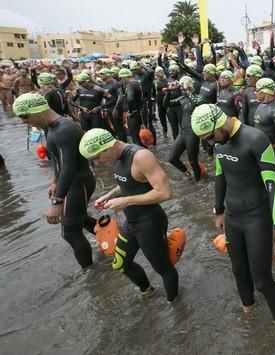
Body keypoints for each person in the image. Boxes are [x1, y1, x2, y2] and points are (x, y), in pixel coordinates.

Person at [190, 104, 275, 324]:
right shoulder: (220, 143)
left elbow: (273, 185)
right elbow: (220, 175)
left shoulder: (256, 139)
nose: (209, 143)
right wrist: (218, 210)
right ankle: (249, 316)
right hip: (232, 217)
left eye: (210, 137)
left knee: (262, 281)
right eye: (205, 140)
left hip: (256, 219)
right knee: (238, 271)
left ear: (219, 123)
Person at [79, 128, 179, 302]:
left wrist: (125, 201)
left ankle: (175, 305)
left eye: (97, 157)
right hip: (132, 222)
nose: (96, 163)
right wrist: (110, 195)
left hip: (151, 222)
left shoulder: (141, 157)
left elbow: (165, 193)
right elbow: (129, 182)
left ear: (108, 147)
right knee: (120, 264)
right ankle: (148, 291)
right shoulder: (116, 158)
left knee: (163, 268)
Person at [13, 93, 97, 269]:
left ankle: (90, 272)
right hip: (73, 182)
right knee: (79, 220)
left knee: (70, 232)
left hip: (78, 183)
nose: (23, 122)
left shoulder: (63, 129)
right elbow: (59, 161)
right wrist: (54, 181)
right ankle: (113, 237)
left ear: (37, 110)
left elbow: (68, 167)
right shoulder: (52, 126)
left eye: (24, 116)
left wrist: (56, 202)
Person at [165, 76, 205, 181]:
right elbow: (166, 104)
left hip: (193, 133)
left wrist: (187, 90)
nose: (181, 90)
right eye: (181, 88)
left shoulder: (199, 97)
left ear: (190, 87)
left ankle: (198, 182)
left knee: (193, 161)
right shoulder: (182, 99)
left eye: (183, 88)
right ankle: (187, 173)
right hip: (182, 133)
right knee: (172, 158)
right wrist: (169, 91)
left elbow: (196, 103)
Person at [253, 78, 275, 172]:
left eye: (257, 90)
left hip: (272, 150)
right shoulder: (260, 105)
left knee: (274, 178)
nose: (255, 93)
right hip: (259, 149)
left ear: (265, 91)